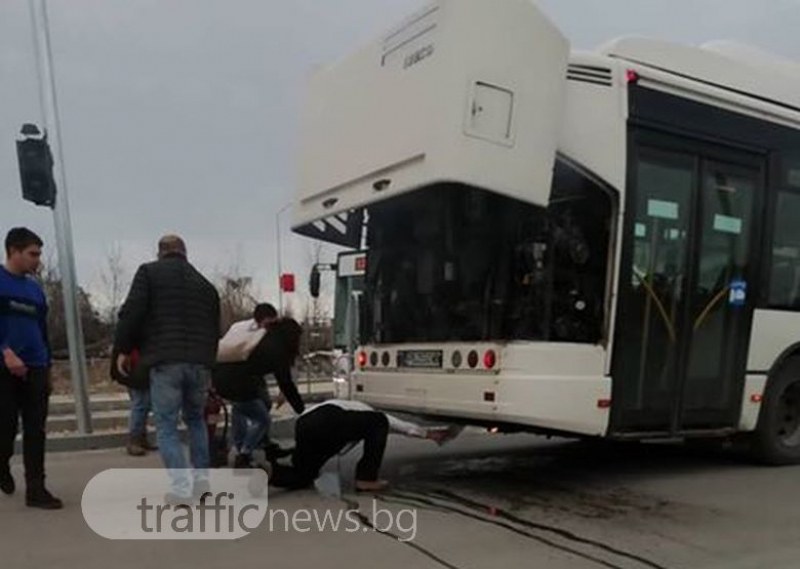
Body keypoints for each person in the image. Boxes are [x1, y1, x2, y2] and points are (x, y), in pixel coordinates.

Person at [114, 235, 220, 503]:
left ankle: (181, 489)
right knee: (196, 420)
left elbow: (132, 312)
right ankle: (202, 484)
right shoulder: (206, 285)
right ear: (185, 252)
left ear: (160, 253)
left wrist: (123, 349)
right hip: (199, 363)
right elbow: (214, 329)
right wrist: (209, 365)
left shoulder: (148, 273)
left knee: (167, 425)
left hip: (164, 361)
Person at [268, 399, 460, 492]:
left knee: (303, 476)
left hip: (305, 424)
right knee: (379, 421)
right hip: (328, 418)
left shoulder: (350, 415)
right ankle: (366, 478)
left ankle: (268, 473)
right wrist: (428, 434)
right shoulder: (365, 411)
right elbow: (394, 424)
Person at [0, 227, 62, 509]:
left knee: (36, 429)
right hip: (4, 368)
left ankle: (36, 489)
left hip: (35, 367)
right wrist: (4, 351)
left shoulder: (35, 290)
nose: (38, 260)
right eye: (32, 254)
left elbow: (42, 332)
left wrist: (47, 368)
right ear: (13, 251)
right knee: (6, 426)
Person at [213, 313, 305, 468]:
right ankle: (244, 454)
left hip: (221, 377)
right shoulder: (278, 350)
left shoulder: (263, 338)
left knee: (241, 409)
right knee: (262, 419)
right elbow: (286, 383)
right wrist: (301, 410)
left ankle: (246, 448)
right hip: (238, 382)